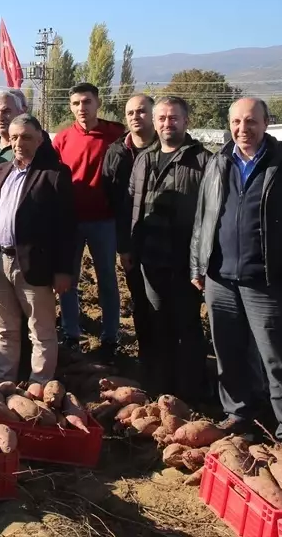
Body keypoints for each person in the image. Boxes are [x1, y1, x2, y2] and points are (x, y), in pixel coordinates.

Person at [191, 97, 282, 442]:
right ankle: (239, 412)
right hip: (220, 277)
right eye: (236, 122)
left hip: (267, 280)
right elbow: (204, 218)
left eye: (251, 122)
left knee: (278, 356)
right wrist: (198, 264)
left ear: (266, 123)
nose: (242, 129)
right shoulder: (218, 162)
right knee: (228, 353)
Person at [0, 114, 74, 384]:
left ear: (40, 139)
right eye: (14, 137)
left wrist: (63, 271)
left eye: (27, 137)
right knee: (3, 330)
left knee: (41, 331)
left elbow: (66, 229)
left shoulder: (54, 175)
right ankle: (4, 383)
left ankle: (39, 386)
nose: (19, 143)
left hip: (34, 265)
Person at [126, 96, 210, 402]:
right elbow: (133, 205)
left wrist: (201, 261)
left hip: (186, 263)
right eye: (161, 118)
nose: (166, 124)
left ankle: (191, 391)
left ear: (186, 121)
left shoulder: (203, 161)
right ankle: (161, 388)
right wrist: (131, 247)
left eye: (173, 118)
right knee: (157, 324)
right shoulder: (144, 159)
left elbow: (211, 215)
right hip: (151, 259)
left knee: (186, 326)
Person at [52, 82, 126, 358]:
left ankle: (110, 336)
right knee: (68, 280)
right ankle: (71, 333)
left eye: (86, 102)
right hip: (70, 222)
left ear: (97, 103)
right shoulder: (62, 139)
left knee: (106, 278)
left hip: (104, 221)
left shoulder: (115, 134)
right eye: (76, 103)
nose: (81, 108)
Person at [107, 93, 157, 363]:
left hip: (169, 243)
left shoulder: (170, 148)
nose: (136, 117)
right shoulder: (117, 152)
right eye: (130, 113)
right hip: (133, 241)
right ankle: (148, 356)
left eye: (141, 111)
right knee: (140, 300)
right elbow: (114, 199)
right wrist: (123, 245)